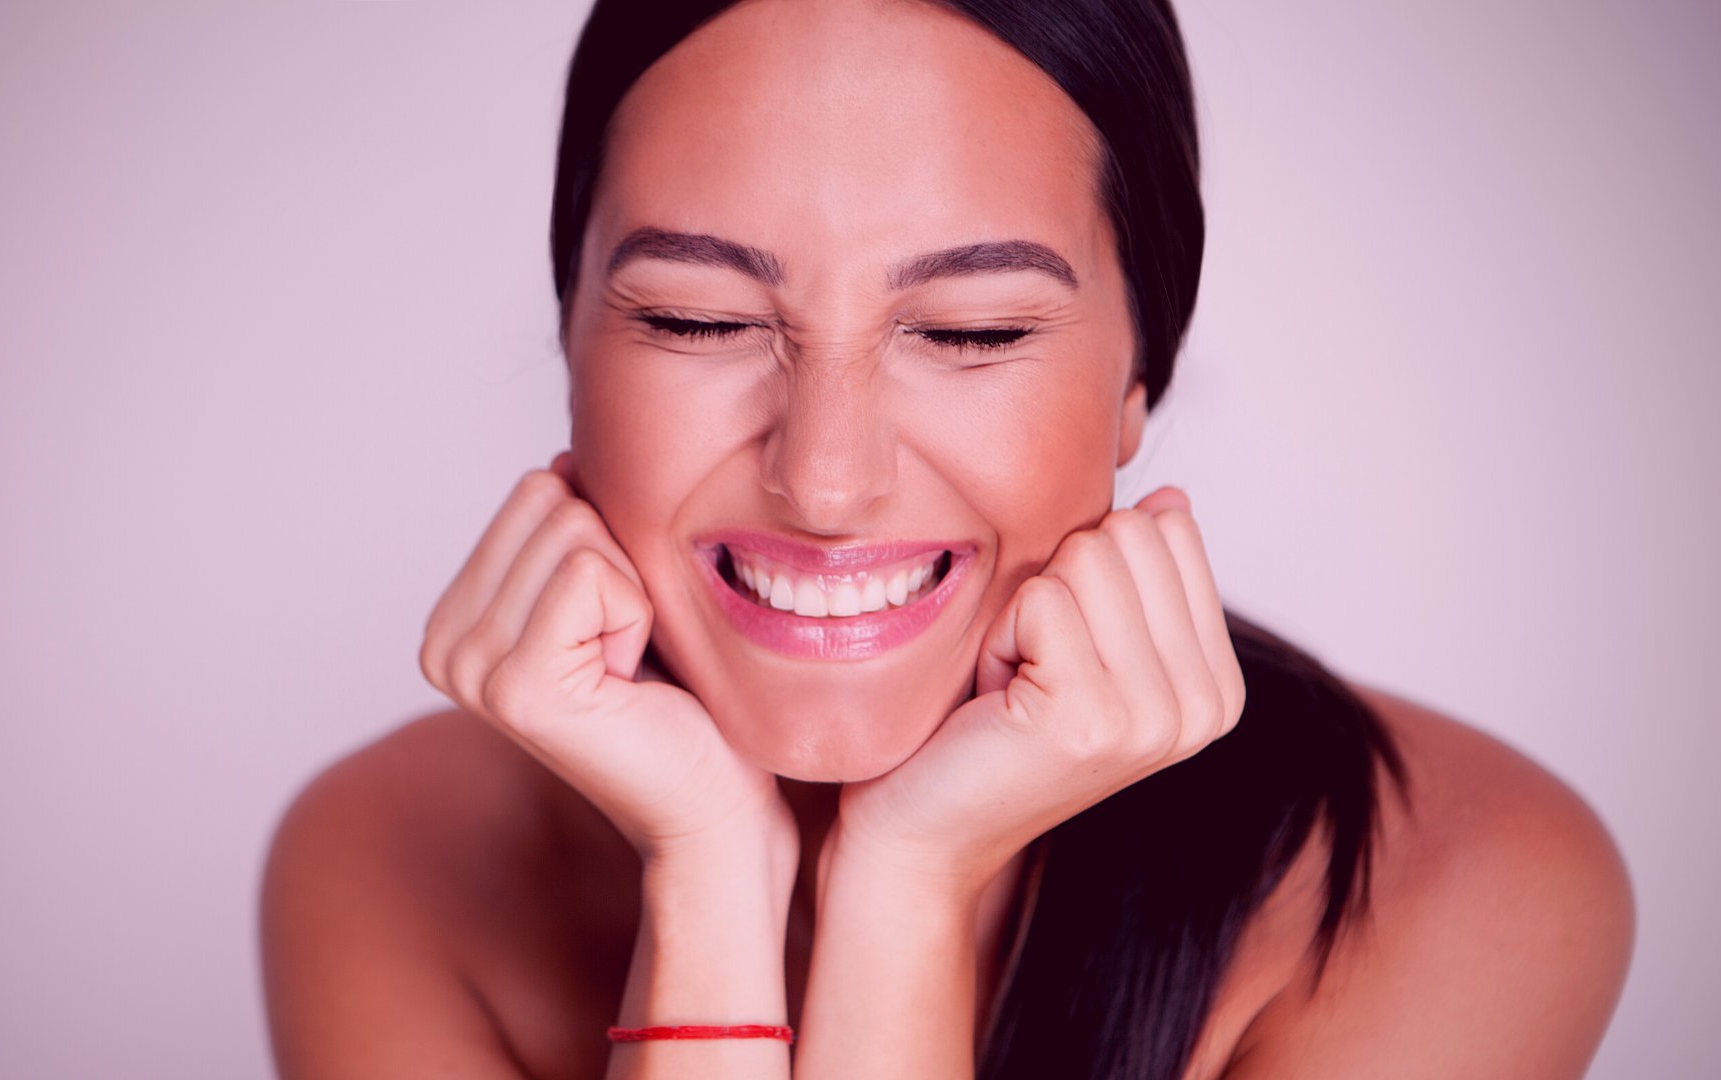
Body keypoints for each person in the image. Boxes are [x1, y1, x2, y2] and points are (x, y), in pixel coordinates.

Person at [259, 1, 1635, 1076]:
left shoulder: (1460, 879)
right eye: (696, 319)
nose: (829, 479)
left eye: (972, 333)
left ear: (1138, 380)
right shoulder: (387, 857)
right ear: (572, 347)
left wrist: (904, 892)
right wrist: (711, 879)